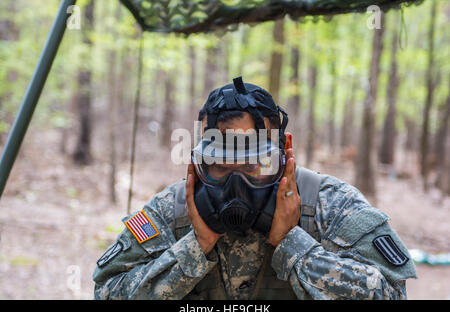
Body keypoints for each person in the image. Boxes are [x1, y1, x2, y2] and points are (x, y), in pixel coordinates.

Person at [92, 77, 417, 300]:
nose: (237, 185)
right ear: (199, 163)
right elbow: (107, 290)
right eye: (220, 166)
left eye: (254, 166)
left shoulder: (330, 205)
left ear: (285, 156)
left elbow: (391, 292)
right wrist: (194, 247)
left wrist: (294, 246)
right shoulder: (175, 209)